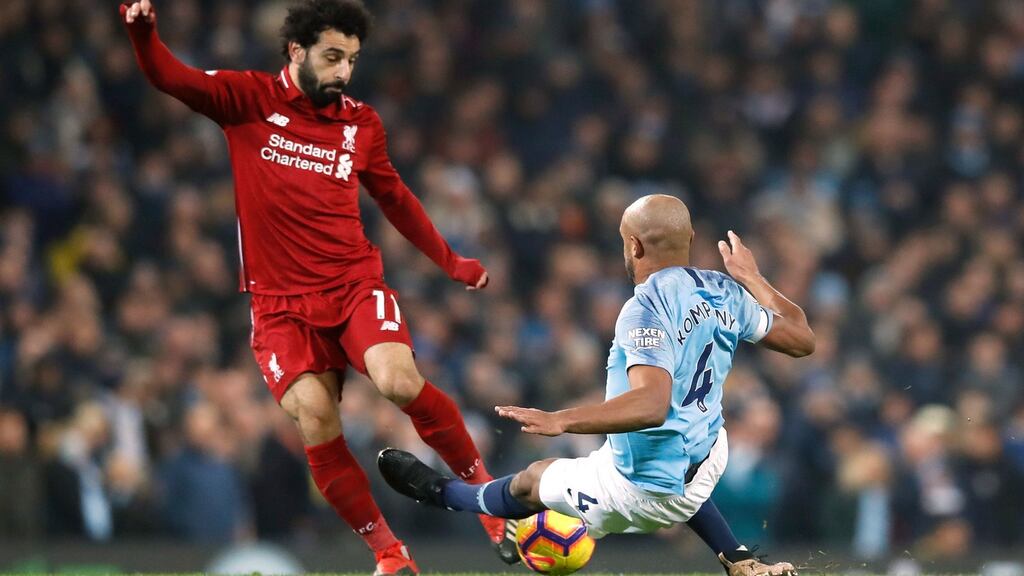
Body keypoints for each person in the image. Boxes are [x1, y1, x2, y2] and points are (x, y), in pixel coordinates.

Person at [120, 0, 516, 573]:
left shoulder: (362, 123)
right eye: (333, 57)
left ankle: (488, 500)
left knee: (398, 379)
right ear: (296, 51)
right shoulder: (246, 99)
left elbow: (395, 198)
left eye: (352, 60)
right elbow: (168, 75)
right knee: (314, 417)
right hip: (279, 306)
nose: (344, 72)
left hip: (352, 283)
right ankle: (388, 551)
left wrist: (450, 260)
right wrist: (144, 34)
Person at [379, 195, 816, 576]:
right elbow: (802, 339)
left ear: (634, 245)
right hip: (708, 455)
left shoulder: (644, 308)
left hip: (640, 490)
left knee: (532, 480)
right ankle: (736, 556)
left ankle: (443, 494)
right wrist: (752, 278)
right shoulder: (723, 290)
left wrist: (561, 420)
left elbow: (651, 405)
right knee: (679, 439)